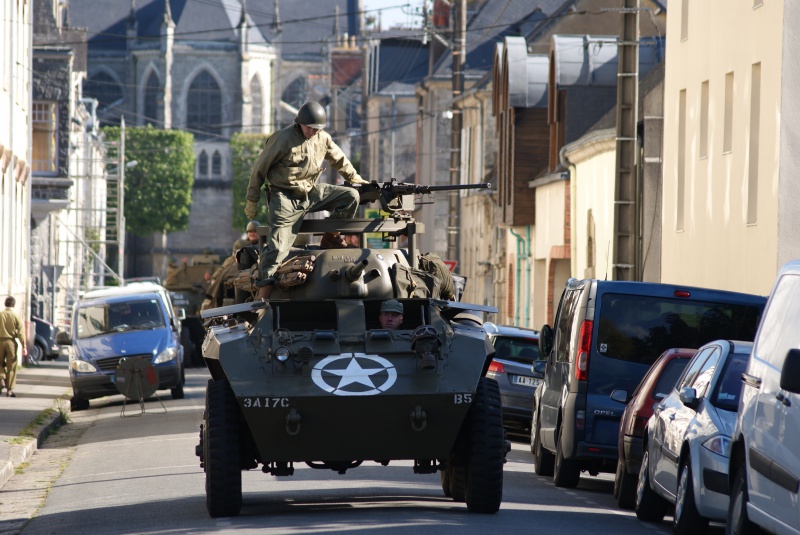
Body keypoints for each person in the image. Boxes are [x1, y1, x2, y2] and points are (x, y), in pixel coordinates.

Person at [244, 101, 369, 300]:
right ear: (299, 123)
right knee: (277, 247)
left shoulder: (323, 138)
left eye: (317, 128)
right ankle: (262, 297)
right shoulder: (282, 139)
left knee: (350, 196)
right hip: (284, 196)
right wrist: (252, 198)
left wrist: (354, 177)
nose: (312, 132)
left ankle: (331, 237)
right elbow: (259, 168)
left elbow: (338, 159)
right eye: (309, 127)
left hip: (310, 193)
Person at [0, 296, 27, 397]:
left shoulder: (0, 314)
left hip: (0, 341)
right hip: (11, 342)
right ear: (14, 305)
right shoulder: (16, 316)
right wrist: (24, 346)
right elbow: (21, 332)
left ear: (5, 304)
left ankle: (1, 378)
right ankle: (9, 390)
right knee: (12, 365)